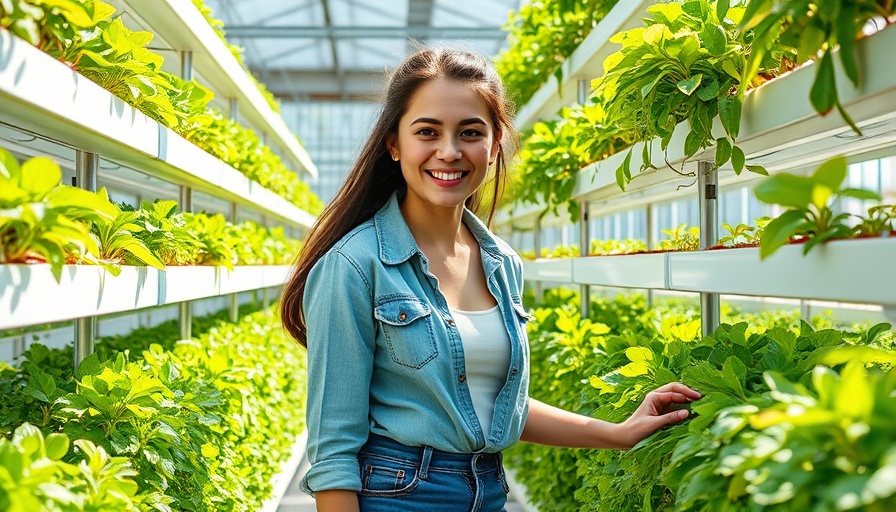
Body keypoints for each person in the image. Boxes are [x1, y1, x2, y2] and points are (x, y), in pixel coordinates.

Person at [280, 46, 701, 512]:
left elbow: (499, 409)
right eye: (427, 131)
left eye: (470, 132)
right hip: (398, 495)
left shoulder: (502, 264)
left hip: (488, 493)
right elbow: (332, 449)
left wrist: (617, 434)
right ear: (394, 144)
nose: (449, 151)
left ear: (495, 142)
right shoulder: (355, 266)